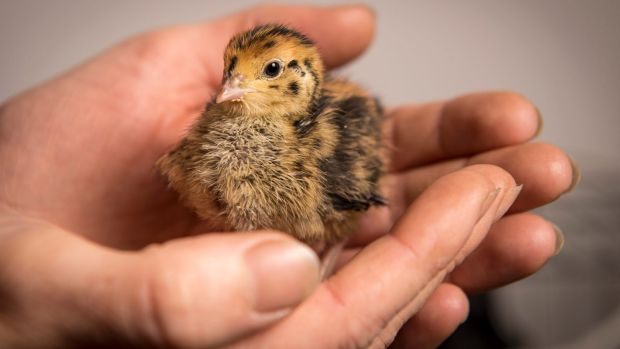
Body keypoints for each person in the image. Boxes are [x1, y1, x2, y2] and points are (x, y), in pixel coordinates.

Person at [0, 4, 576, 349]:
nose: (232, 84)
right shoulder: (205, 139)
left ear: (303, 77)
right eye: (233, 70)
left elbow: (350, 186)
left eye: (266, 72)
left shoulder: (327, 149)